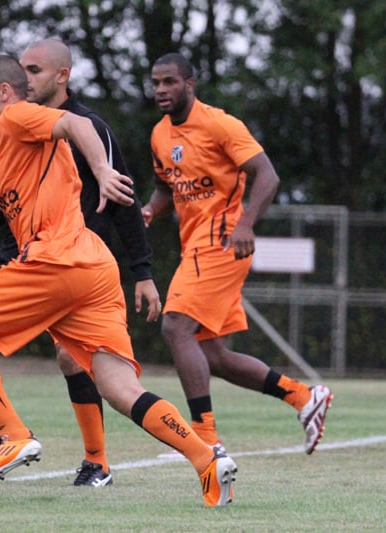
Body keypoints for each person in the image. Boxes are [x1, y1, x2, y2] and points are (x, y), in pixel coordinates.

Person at [0, 53, 237, 506]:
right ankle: (206, 459)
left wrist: (101, 170)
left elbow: (79, 126)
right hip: (92, 267)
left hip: (55, 258)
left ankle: (12, 434)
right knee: (119, 387)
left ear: (3, 92)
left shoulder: (19, 114)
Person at [0, 39, 161, 488]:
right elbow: (2, 200)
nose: (23, 78)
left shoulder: (85, 125)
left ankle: (87, 459)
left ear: (61, 76)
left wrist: (143, 270)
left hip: (72, 257)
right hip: (27, 251)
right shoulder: (7, 127)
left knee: (64, 357)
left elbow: (125, 202)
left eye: (32, 70)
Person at [142, 52, 332, 454]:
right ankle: (302, 397)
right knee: (213, 355)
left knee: (175, 327)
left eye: (170, 82)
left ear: (189, 84)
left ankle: (206, 438)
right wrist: (150, 210)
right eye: (156, 82)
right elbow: (165, 187)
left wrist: (246, 223)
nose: (161, 89)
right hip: (195, 243)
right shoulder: (159, 134)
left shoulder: (219, 123)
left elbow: (268, 174)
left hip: (223, 240)